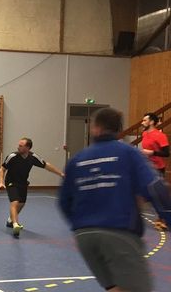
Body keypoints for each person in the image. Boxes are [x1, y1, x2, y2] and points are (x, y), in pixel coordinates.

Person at [59, 107, 171, 292]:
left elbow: (64, 201)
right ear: (118, 130)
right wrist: (168, 217)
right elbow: (155, 188)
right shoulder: (129, 153)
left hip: (84, 237)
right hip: (119, 233)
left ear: (94, 129)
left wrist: (81, 224)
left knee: (115, 288)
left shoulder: (77, 159)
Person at [0, 138, 64, 238]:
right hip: (11, 182)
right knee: (14, 202)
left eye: (21, 145)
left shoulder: (33, 157)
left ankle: (10, 220)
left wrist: (61, 174)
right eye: (18, 145)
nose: (18, 147)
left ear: (27, 147)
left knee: (21, 204)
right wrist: (1, 182)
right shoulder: (12, 156)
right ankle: (15, 225)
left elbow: (46, 165)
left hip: (23, 183)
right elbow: (2, 169)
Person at [140, 112, 169, 230]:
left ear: (152, 122)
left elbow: (166, 153)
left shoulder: (160, 135)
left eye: (145, 120)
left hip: (158, 168)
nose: (142, 122)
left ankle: (163, 219)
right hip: (146, 167)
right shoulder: (144, 133)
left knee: (158, 196)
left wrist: (152, 152)